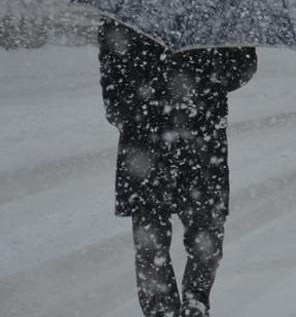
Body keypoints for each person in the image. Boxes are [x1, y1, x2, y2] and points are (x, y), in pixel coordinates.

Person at [97, 18, 257, 317]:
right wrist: (148, 105)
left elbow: (241, 67)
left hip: (190, 138)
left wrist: (210, 70)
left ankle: (194, 301)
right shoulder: (125, 16)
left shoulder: (213, 5)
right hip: (155, 141)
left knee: (202, 232)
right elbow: (113, 88)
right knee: (154, 238)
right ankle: (165, 310)